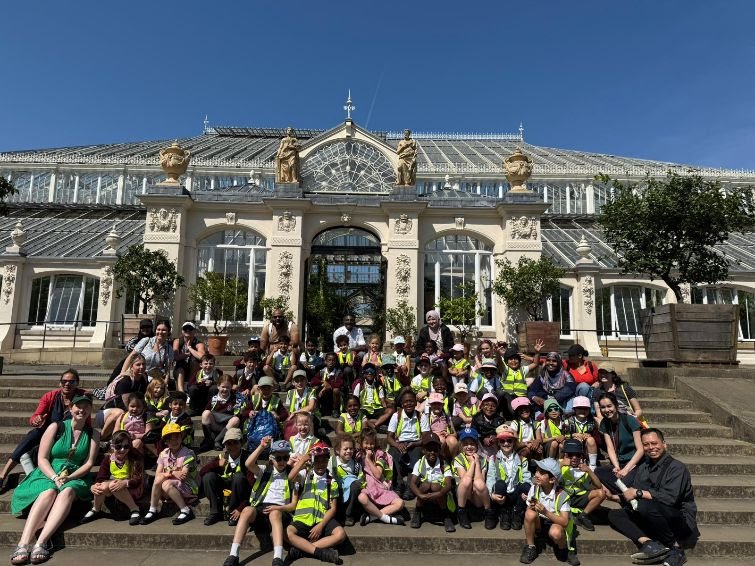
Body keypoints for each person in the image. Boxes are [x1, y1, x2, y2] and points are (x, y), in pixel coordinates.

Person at [10, 394, 99, 566]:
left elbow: (89, 463)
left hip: (75, 474)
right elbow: (42, 458)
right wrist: (55, 477)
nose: (82, 410)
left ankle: (41, 542)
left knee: (68, 491)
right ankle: (23, 543)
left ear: (90, 410)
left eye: (86, 407)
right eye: (78, 406)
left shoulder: (93, 433)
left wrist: (70, 477)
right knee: (48, 491)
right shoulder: (56, 427)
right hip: (48, 471)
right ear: (71, 408)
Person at [607, 428, 699, 566]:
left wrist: (638, 493)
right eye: (646, 444)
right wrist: (616, 498)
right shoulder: (644, 466)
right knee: (615, 514)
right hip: (654, 515)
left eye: (654, 443)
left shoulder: (677, 467)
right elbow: (635, 494)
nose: (651, 447)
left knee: (645, 506)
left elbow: (670, 498)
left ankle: (676, 549)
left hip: (679, 520)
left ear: (664, 444)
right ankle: (650, 544)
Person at [0, 369, 86, 493]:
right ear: (59, 383)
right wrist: (37, 420)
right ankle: (3, 475)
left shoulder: (81, 398)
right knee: (32, 435)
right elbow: (34, 417)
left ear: (77, 383)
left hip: (69, 436)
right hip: (48, 432)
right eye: (64, 381)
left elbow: (86, 421)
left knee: (33, 453)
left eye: (71, 382)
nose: (67, 384)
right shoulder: (50, 397)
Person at [223, 438, 299, 566]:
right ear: (271, 458)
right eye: (278, 458)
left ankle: (278, 557)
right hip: (261, 509)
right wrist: (262, 446)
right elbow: (248, 463)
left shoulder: (291, 474)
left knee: (274, 513)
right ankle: (233, 554)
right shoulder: (264, 470)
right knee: (247, 510)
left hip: (280, 512)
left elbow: (293, 505)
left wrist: (278, 508)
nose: (282, 461)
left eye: (285, 458)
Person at [286, 442, 346, 565]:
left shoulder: (332, 481)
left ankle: (301, 550)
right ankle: (320, 553)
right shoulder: (305, 474)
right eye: (317, 461)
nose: (321, 464)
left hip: (321, 519)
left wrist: (321, 525)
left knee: (340, 534)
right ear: (313, 461)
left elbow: (333, 508)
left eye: (324, 461)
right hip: (302, 518)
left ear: (328, 461)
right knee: (286, 532)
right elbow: (290, 477)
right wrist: (303, 460)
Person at [520, 458, 580, 566]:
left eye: (542, 473)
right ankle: (531, 546)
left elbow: (565, 522)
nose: (537, 474)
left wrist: (545, 512)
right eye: (537, 470)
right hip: (540, 524)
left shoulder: (562, 495)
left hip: (556, 524)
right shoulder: (534, 488)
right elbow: (530, 510)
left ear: (552, 480)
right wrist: (532, 507)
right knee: (529, 513)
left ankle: (563, 549)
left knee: (556, 532)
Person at [81, 429, 144, 526]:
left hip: (133, 487)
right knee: (100, 486)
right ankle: (96, 509)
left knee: (113, 485)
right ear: (112, 445)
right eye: (118, 446)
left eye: (126, 446)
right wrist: (94, 486)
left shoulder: (135, 456)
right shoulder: (109, 458)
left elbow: (138, 479)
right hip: (115, 487)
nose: (122, 450)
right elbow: (100, 478)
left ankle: (134, 509)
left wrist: (126, 483)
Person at [141, 422, 198, 525]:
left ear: (181, 437)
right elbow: (158, 474)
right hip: (168, 489)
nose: (174, 441)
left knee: (165, 483)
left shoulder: (188, 453)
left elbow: (183, 475)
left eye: (177, 437)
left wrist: (167, 473)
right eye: (170, 439)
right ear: (165, 441)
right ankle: (153, 509)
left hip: (187, 486)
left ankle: (185, 510)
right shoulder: (163, 454)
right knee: (160, 479)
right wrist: (173, 472)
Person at [595, 391, 644, 500]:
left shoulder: (630, 420)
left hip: (635, 463)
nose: (606, 410)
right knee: (598, 472)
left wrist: (626, 469)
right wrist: (616, 466)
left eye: (609, 406)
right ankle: (626, 493)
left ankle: (621, 497)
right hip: (621, 463)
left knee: (624, 481)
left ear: (616, 405)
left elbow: (640, 449)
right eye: (603, 407)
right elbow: (610, 448)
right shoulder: (604, 423)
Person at [200, 427, 252, 526]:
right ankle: (215, 512)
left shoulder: (248, 458)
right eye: (229, 443)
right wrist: (216, 464)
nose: (232, 446)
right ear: (225, 445)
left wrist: (241, 507)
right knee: (208, 477)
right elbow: (201, 473)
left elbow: (252, 486)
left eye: (235, 442)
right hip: (224, 491)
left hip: (240, 494)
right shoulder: (222, 457)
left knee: (239, 476)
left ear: (241, 443)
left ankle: (233, 512)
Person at [387, 388, 430, 499]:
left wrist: (415, 444)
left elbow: (425, 438)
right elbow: (389, 437)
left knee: (418, 453)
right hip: (400, 443)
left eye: (411, 401)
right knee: (392, 452)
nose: (408, 404)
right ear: (402, 404)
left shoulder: (421, 416)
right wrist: (397, 445)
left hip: (415, 443)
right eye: (406, 401)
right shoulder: (396, 415)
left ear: (416, 403)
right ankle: (399, 483)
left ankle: (410, 486)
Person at [357, 427, 405, 526]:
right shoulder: (359, 454)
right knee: (362, 497)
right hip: (369, 489)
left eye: (371, 443)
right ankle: (387, 518)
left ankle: (371, 517)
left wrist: (368, 459)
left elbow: (378, 474)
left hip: (380, 488)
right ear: (361, 443)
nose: (369, 446)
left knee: (400, 503)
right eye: (366, 443)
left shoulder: (380, 454)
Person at [408, 433, 455, 533]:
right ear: (423, 450)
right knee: (425, 485)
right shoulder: (419, 463)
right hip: (424, 496)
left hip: (440, 496)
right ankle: (418, 510)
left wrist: (437, 494)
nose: (432, 452)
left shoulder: (443, 464)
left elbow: (448, 485)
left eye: (435, 449)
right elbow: (412, 483)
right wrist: (420, 495)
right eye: (429, 449)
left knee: (435, 486)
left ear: (439, 450)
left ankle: (445, 515)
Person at [490, 427, 531, 531]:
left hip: (516, 491)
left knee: (527, 486)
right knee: (499, 483)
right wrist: (491, 494)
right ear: (498, 443)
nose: (506, 443)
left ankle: (517, 512)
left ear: (514, 442)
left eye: (509, 440)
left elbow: (526, 477)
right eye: (502, 441)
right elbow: (490, 478)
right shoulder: (493, 459)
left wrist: (527, 494)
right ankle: (505, 513)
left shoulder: (522, 459)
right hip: (503, 493)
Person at [99, 354, 148, 440]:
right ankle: (102, 437)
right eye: (138, 364)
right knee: (121, 413)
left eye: (143, 364)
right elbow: (125, 404)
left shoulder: (144, 379)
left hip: (130, 410)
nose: (142, 367)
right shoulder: (125, 381)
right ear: (131, 366)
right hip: (108, 412)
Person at [453, 427, 495, 530]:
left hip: (477, 496)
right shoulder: (458, 459)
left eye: (472, 444)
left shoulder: (482, 460)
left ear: (477, 445)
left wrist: (477, 462)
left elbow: (480, 480)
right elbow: (464, 479)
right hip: (465, 495)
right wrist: (472, 463)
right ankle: (461, 512)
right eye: (466, 444)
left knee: (479, 483)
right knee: (466, 481)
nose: (469, 447)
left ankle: (488, 512)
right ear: (461, 445)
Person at [560, 439, 604, 532]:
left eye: (578, 455)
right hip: (564, 498)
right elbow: (549, 477)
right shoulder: (559, 465)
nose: (574, 458)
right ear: (565, 455)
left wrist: (589, 471)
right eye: (570, 455)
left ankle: (583, 515)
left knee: (601, 493)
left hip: (579, 498)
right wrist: (561, 464)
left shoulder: (584, 469)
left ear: (581, 456)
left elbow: (599, 486)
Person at [200, 374, 246, 451]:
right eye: (223, 387)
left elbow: (240, 415)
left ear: (231, 387)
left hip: (229, 427)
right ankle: (208, 441)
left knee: (236, 419)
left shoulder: (236, 399)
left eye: (228, 387)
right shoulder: (214, 399)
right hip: (216, 425)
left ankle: (218, 440)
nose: (225, 389)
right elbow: (207, 412)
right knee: (205, 413)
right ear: (218, 386)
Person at [593, 362, 645, 427]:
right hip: (609, 424)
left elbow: (638, 410)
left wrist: (632, 418)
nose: (603, 375)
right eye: (601, 373)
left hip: (627, 422)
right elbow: (599, 415)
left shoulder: (624, 388)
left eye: (606, 372)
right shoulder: (597, 392)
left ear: (612, 374)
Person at [109, 318, 153, 383]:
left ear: (151, 328)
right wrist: (139, 347)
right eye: (143, 327)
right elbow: (127, 347)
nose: (145, 329)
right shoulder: (135, 339)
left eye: (148, 327)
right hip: (134, 360)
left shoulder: (154, 340)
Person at [172, 321, 206, 392]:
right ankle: (181, 391)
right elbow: (176, 356)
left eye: (190, 329)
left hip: (194, 370)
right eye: (185, 329)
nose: (187, 330)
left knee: (194, 360)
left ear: (194, 331)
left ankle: (189, 387)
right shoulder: (177, 341)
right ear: (182, 331)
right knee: (180, 364)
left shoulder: (198, 343)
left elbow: (202, 357)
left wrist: (190, 348)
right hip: (179, 370)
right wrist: (186, 355)